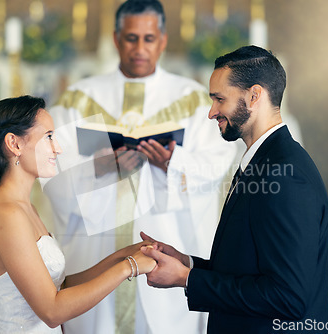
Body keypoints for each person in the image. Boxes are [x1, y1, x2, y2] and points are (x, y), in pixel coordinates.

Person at [42, 0, 237, 333]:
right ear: (116, 39)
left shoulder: (193, 100)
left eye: (149, 39)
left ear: (162, 40)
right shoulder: (77, 98)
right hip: (96, 252)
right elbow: (52, 169)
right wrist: (101, 166)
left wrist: (173, 161)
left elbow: (216, 164)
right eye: (131, 38)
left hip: (166, 242)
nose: (140, 48)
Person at [0, 95, 155, 334]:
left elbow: (60, 287)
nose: (57, 149)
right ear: (14, 144)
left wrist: (125, 254)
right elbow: (52, 310)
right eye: (49, 137)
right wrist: (128, 268)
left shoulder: (25, 208)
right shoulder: (5, 214)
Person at [140, 46, 328, 333]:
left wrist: (187, 280)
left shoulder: (286, 175)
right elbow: (249, 268)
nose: (211, 112)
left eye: (219, 99)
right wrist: (188, 263)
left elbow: (288, 296)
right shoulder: (264, 160)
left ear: (254, 96)